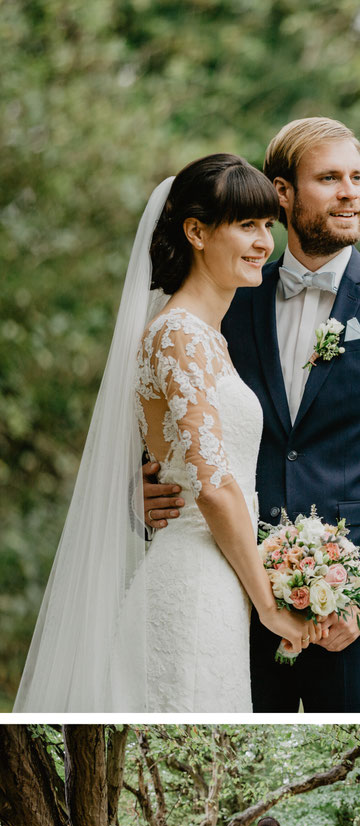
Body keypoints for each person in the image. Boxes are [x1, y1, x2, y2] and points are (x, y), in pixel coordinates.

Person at [145, 116, 360, 712]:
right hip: (232, 592)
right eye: (330, 178)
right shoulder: (229, 296)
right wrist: (150, 484)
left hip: (353, 615)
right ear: (283, 192)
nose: (351, 192)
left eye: (358, 178)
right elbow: (180, 425)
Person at [14, 154, 320, 712]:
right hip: (192, 584)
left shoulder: (210, 339)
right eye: (245, 225)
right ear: (196, 232)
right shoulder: (178, 335)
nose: (262, 243)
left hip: (218, 581)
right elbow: (213, 486)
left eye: (267, 226)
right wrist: (271, 604)